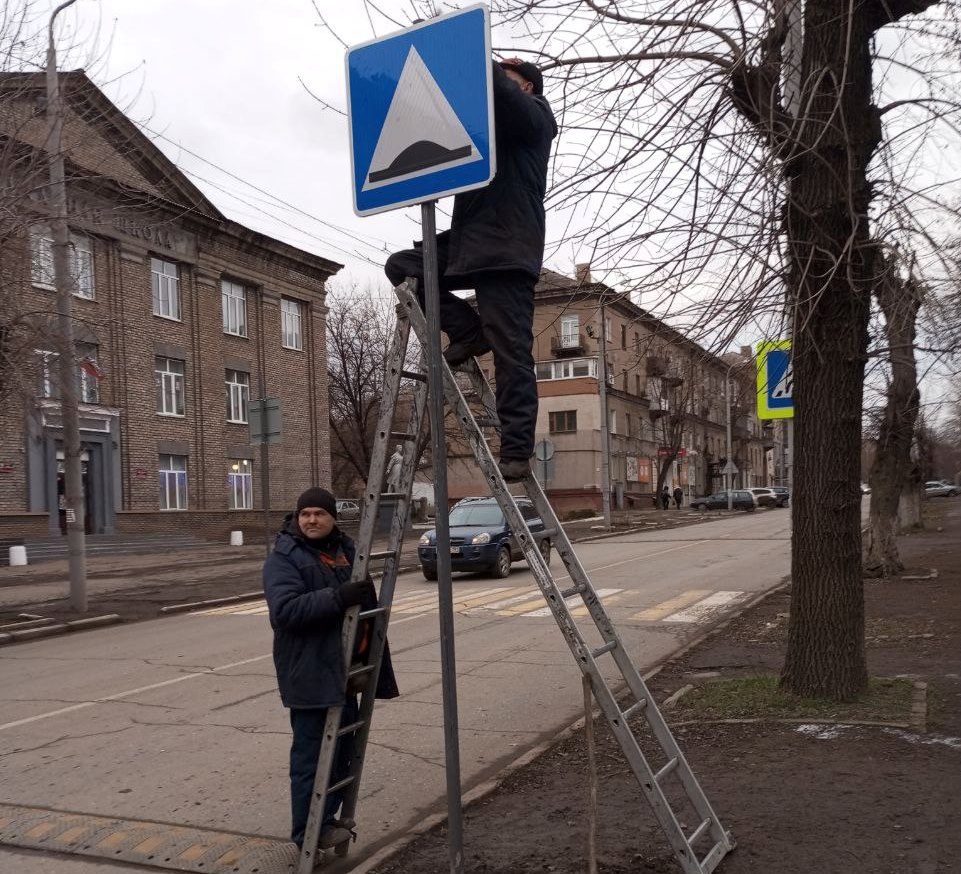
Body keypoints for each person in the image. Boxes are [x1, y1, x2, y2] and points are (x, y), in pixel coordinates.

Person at [385, 58, 557, 483]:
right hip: (470, 243)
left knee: (511, 350)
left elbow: (506, 98)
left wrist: (475, 54)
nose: (496, 84)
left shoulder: (536, 118)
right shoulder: (480, 133)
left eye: (508, 79)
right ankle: (468, 331)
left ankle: (516, 448)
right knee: (403, 267)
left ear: (528, 88)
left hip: (507, 249)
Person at [263, 487, 399, 853]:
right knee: (311, 760)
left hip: (343, 674)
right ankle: (307, 834)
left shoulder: (345, 551)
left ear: (332, 518)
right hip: (310, 674)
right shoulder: (285, 558)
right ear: (297, 518)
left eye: (319, 514)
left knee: (341, 756)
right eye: (305, 514)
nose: (311, 520)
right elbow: (285, 611)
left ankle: (325, 820)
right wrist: (337, 598)